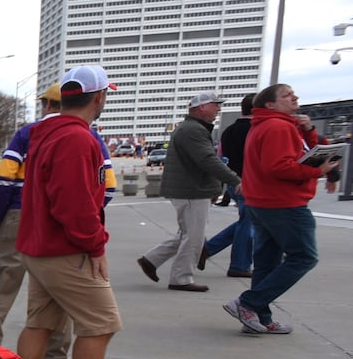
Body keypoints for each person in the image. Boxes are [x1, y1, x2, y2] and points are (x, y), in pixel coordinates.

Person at [15, 65, 135, 359]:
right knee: (102, 323)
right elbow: (76, 205)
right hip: (64, 250)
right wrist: (95, 244)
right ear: (99, 97)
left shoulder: (47, 134)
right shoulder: (76, 139)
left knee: (40, 322)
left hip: (42, 247)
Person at [0, 83, 72, 359]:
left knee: (0, 290)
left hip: (20, 213)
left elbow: (3, 179)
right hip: (59, 220)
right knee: (57, 293)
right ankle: (56, 358)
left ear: (47, 105)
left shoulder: (27, 134)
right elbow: (104, 187)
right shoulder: (85, 135)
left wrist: (2, 215)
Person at [224, 84, 339, 335]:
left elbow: (303, 153)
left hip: (263, 202)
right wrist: (318, 172)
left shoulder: (269, 125)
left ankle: (260, 318)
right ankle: (248, 303)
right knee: (304, 257)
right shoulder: (279, 127)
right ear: (270, 105)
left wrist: (308, 131)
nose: (295, 97)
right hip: (283, 203)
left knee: (266, 262)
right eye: (287, 95)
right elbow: (280, 167)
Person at [137, 93, 239, 293]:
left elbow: (204, 160)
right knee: (193, 236)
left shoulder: (190, 128)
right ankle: (181, 277)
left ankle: (151, 259)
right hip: (192, 189)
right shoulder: (194, 130)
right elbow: (207, 160)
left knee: (189, 234)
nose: (218, 109)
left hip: (190, 189)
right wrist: (234, 180)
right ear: (202, 107)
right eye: (215, 105)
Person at [201, 93, 257, 278]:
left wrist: (219, 185)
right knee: (248, 224)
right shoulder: (257, 129)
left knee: (246, 222)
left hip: (233, 181)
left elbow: (219, 160)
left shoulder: (229, 131)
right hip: (250, 182)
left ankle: (207, 249)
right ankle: (239, 265)